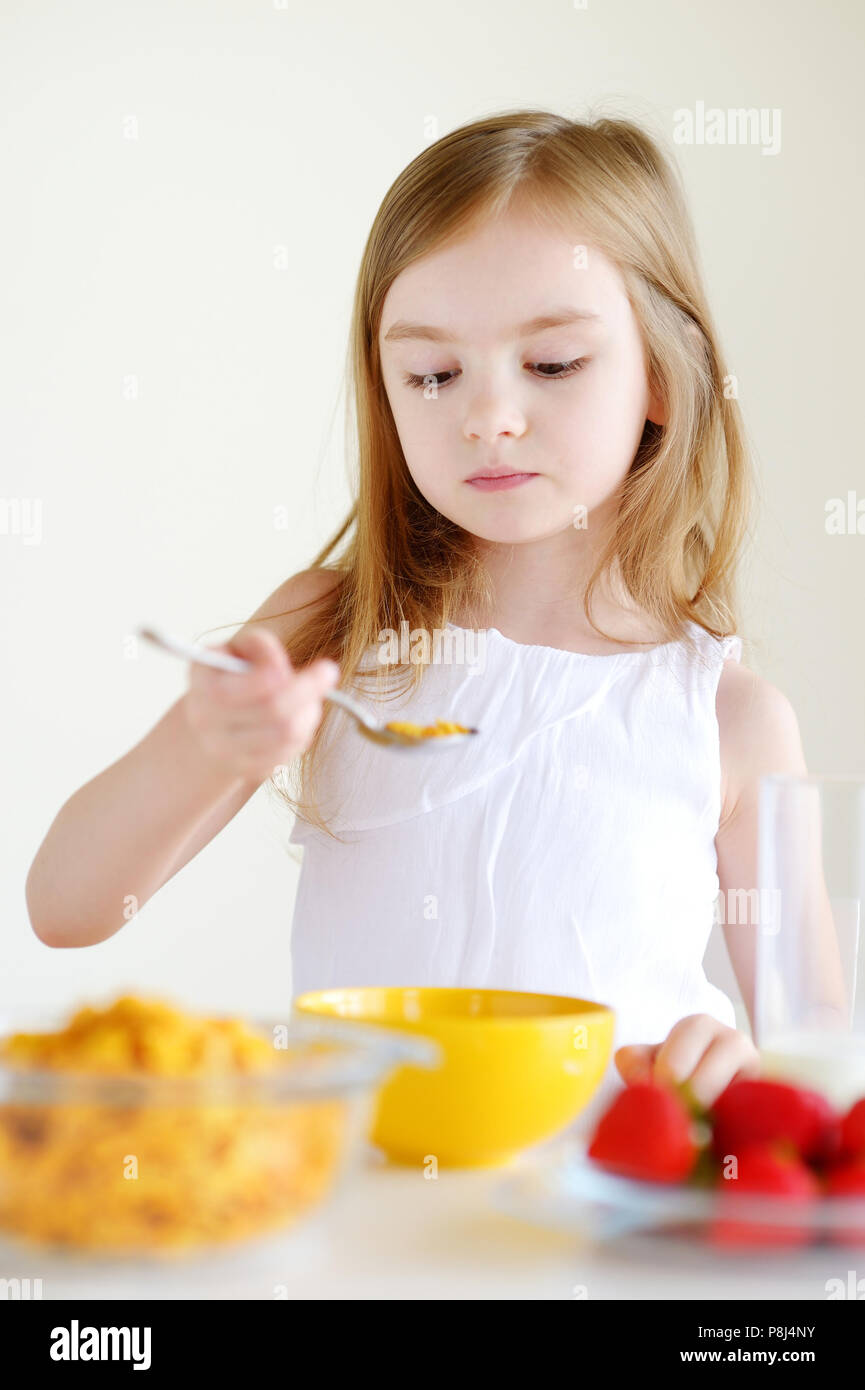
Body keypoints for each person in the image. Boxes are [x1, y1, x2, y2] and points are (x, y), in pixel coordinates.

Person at [27, 110, 815, 1113]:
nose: (486, 414)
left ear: (659, 374)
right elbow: (66, 907)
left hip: (595, 1245)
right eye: (433, 375)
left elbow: (814, 1066)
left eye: (553, 363)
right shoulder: (325, 635)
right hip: (358, 1232)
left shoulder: (728, 719)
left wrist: (739, 1073)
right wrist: (206, 738)